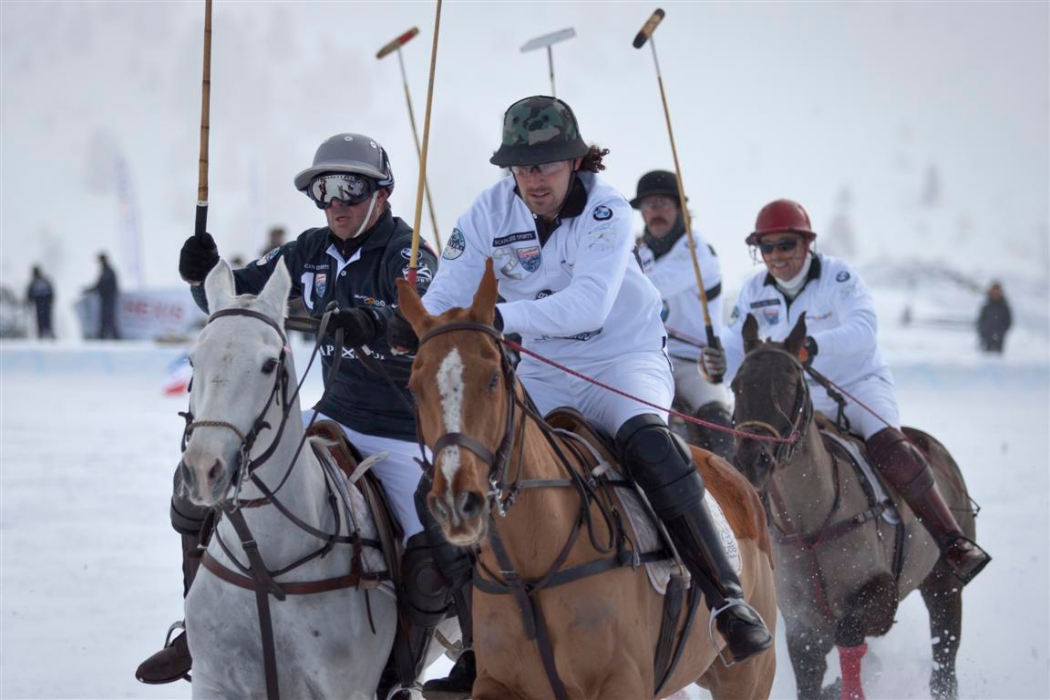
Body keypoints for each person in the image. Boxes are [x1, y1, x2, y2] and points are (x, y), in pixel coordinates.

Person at [388, 95, 774, 673]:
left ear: (576, 162)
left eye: (545, 166)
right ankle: (477, 636)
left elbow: (589, 307)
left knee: (648, 442)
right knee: (461, 470)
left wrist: (497, 320)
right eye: (521, 167)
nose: (533, 180)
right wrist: (408, 322)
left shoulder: (607, 211)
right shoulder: (488, 213)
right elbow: (444, 296)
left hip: (621, 357)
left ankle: (726, 600)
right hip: (539, 365)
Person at [135, 133, 473, 699]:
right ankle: (198, 629)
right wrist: (202, 275)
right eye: (323, 191)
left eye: (349, 188)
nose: (335, 203)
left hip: (399, 430)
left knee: (434, 531)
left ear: (382, 193)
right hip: (329, 416)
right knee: (197, 491)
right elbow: (235, 302)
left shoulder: (406, 254)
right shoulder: (309, 251)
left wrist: (379, 321)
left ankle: (414, 667)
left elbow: (429, 317)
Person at [704, 198, 992, 584]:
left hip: (857, 386)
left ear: (807, 244)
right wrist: (719, 363)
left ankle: (950, 540)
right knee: (756, 456)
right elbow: (737, 344)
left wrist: (816, 346)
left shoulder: (838, 278)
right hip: (795, 400)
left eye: (786, 244)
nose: (776, 255)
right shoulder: (754, 290)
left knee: (891, 447)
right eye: (767, 247)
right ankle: (740, 553)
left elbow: (863, 327)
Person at [632, 170, 733, 460]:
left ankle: (740, 488)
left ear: (679, 208)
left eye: (663, 203)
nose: (655, 212)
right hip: (648, 358)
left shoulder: (696, 250)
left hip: (694, 363)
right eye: (649, 206)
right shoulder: (638, 252)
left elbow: (654, 285)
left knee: (717, 423)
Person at [85, 253, 120, 339]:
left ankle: (113, 336)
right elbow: (99, 285)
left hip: (109, 298)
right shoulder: (104, 271)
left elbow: (105, 285)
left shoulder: (108, 271)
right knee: (104, 318)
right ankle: (103, 335)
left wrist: (96, 289)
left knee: (109, 317)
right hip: (105, 298)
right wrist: (90, 289)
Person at [977, 281, 1011, 354]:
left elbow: (1008, 322)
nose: (995, 293)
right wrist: (983, 332)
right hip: (987, 338)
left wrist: (1001, 332)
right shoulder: (986, 307)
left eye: (997, 291)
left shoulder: (1004, 307)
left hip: (999, 338)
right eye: (994, 291)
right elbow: (980, 322)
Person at [25, 265, 55, 339]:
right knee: (40, 318)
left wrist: (51, 300)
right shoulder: (34, 282)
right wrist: (29, 301)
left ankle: (49, 332)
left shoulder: (44, 281)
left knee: (47, 318)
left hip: (46, 302)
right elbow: (29, 293)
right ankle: (41, 333)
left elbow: (51, 291)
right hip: (38, 303)